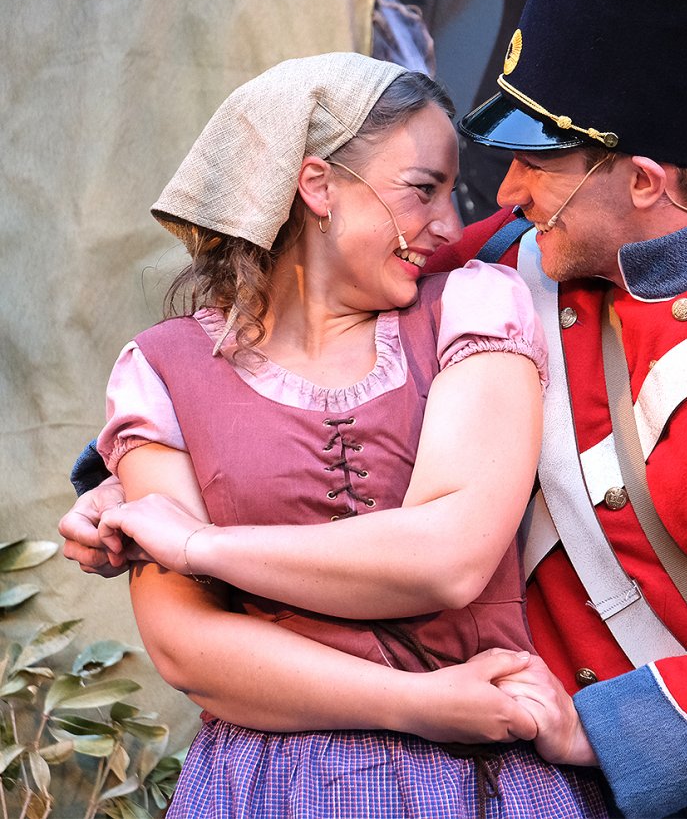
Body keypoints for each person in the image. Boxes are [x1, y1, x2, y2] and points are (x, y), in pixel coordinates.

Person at [62, 0, 687, 817]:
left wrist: (591, 729)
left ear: (644, 181)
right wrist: (129, 475)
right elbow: (304, 334)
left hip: (640, 788)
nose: (503, 193)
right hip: (460, 762)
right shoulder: (505, 256)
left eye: (538, 163)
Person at [86, 50, 608, 818]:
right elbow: (188, 647)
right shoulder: (163, 371)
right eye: (423, 189)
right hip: (267, 790)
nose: (450, 225)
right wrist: (421, 703)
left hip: (478, 781)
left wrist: (198, 546)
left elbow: (449, 558)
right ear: (318, 185)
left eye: (451, 194)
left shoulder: (473, 309)